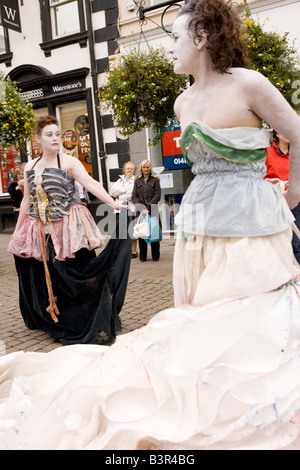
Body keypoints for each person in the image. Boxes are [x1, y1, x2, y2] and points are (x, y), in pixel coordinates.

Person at [1, 0, 300, 451]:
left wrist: (293, 193)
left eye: (176, 39)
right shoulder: (182, 101)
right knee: (200, 318)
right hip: (200, 221)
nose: (170, 50)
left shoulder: (250, 84)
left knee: (245, 317)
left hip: (250, 222)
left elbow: (297, 133)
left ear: (201, 37)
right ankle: (202, 391)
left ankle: (241, 399)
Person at [7, 115, 132, 346]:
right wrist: (17, 233)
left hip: (68, 230)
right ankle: (55, 318)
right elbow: (26, 201)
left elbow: (91, 184)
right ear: (38, 139)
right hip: (40, 230)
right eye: (49, 135)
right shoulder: (30, 166)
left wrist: (115, 204)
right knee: (49, 278)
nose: (55, 138)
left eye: (57, 134)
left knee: (77, 275)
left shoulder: (69, 162)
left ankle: (84, 317)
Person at [265, 131, 300, 263]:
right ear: (277, 134)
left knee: (296, 240)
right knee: (276, 238)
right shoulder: (267, 152)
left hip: (294, 202)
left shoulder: (296, 154)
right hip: (273, 203)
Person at [132, 160, 161, 261]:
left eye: (147, 167)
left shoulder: (156, 180)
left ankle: (155, 256)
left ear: (150, 168)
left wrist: (148, 208)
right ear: (141, 168)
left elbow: (158, 195)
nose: (146, 169)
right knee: (141, 232)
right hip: (140, 211)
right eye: (144, 167)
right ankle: (143, 257)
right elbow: (134, 196)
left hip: (153, 209)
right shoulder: (137, 181)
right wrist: (141, 208)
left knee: (154, 232)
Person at [110, 161, 138, 258]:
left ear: (134, 170)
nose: (129, 170)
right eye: (127, 168)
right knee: (122, 231)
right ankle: (123, 250)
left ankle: (134, 250)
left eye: (131, 168)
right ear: (124, 170)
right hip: (119, 209)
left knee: (132, 230)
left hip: (131, 208)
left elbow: (131, 195)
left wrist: (119, 195)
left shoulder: (136, 180)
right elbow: (113, 191)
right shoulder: (119, 180)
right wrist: (123, 191)